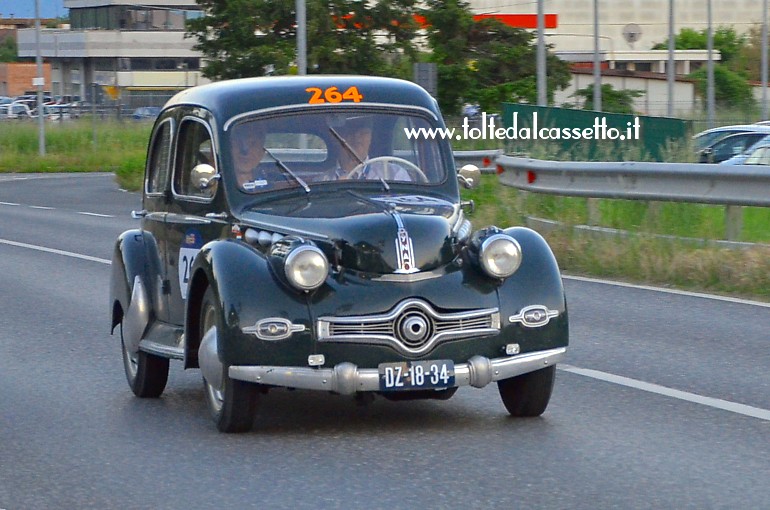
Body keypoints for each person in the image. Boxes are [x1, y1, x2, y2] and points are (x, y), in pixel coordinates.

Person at [330, 116, 411, 181]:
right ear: (336, 139)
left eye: (363, 133)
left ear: (370, 137)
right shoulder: (323, 180)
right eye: (350, 133)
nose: (357, 138)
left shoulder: (395, 174)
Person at [231, 121, 267, 191]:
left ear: (261, 154)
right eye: (239, 143)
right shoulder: (215, 183)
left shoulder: (272, 188)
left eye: (252, 144)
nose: (245, 152)